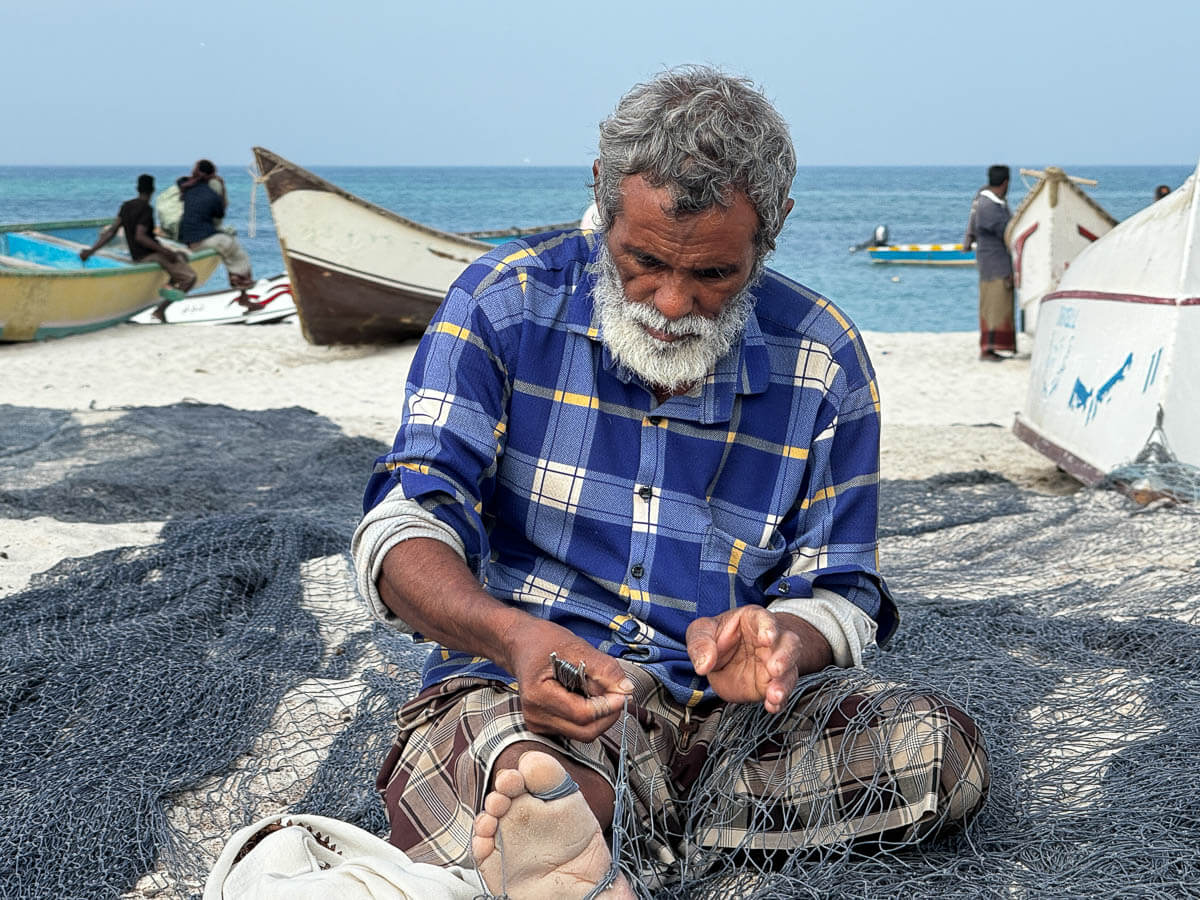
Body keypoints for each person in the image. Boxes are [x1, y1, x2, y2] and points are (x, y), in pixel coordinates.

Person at [353, 66, 989, 898]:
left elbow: (842, 590)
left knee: (943, 753)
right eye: (643, 261)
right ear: (602, 194)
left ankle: (608, 833)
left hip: (735, 729)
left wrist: (778, 646)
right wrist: (513, 638)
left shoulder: (823, 356)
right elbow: (406, 528)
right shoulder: (500, 303)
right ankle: (581, 813)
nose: (671, 302)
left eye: (715, 275)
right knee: (504, 753)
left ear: (775, 230)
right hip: (538, 697)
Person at [79, 173, 196, 322]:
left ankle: (169, 284)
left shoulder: (126, 206)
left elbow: (111, 231)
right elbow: (140, 237)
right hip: (148, 255)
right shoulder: (146, 209)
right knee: (190, 278)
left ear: (137, 188)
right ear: (153, 190)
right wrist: (165, 251)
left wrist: (91, 250)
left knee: (181, 255)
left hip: (138, 255)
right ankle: (160, 310)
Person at [176, 159, 255, 302]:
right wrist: (222, 187)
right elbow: (220, 213)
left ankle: (243, 295)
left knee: (225, 245)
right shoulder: (212, 196)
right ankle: (243, 293)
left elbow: (181, 180)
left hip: (187, 238)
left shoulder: (187, 187)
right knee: (235, 251)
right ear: (212, 176)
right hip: (201, 241)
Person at [963, 165, 1015, 360]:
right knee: (994, 305)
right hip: (994, 263)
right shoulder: (989, 206)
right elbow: (1003, 230)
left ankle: (995, 348)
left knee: (996, 304)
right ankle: (988, 349)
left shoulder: (988, 202)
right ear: (1006, 183)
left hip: (993, 261)